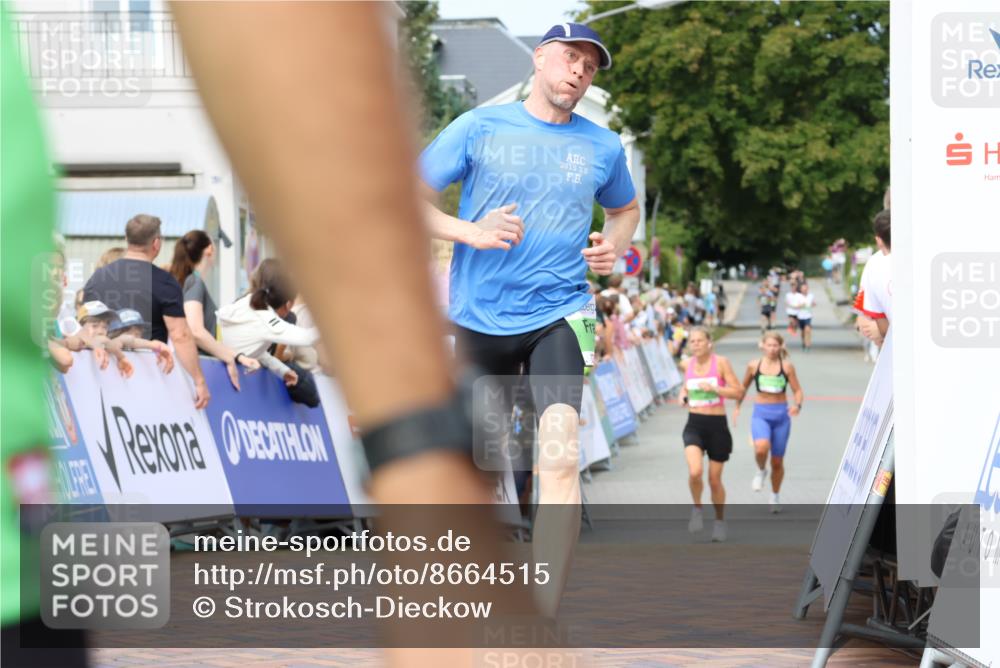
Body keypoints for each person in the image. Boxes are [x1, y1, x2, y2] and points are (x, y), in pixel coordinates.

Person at [418, 20, 639, 614]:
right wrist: (470, 231)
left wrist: (614, 245)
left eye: (589, 66)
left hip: (562, 313)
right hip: (479, 317)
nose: (579, 71)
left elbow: (625, 208)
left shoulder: (603, 146)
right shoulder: (479, 127)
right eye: (570, 58)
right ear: (540, 58)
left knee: (560, 455)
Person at [83, 214, 209, 408]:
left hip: (103, 377)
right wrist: (198, 381)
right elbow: (180, 335)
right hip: (150, 380)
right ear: (156, 243)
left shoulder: (97, 278)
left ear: (127, 239)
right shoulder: (165, 282)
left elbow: (86, 328)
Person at [168, 230, 260, 389]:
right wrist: (231, 356)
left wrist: (234, 355)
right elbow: (195, 331)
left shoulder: (187, 282)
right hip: (200, 369)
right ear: (210, 249)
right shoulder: (195, 282)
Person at [217, 260, 320, 402]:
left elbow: (254, 351)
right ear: (288, 304)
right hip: (234, 382)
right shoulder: (266, 319)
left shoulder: (247, 304)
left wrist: (282, 370)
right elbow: (308, 338)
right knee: (309, 391)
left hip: (225, 374)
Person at [678, 327, 744, 542]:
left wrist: (716, 389)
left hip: (717, 425)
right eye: (692, 341)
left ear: (709, 343)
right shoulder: (686, 364)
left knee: (714, 480)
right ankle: (697, 509)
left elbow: (738, 391)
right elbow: (685, 387)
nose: (696, 344)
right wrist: (682, 396)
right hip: (694, 424)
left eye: (700, 340)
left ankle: (719, 522)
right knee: (695, 471)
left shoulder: (721, 363)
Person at [734, 332, 804, 512]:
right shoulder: (753, 365)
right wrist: (737, 407)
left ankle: (775, 495)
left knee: (777, 462)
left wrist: (797, 405)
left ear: (781, 346)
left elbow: (797, 390)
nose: (772, 349)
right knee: (761, 448)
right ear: (762, 345)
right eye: (769, 345)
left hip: (781, 416)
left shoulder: (786, 367)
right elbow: (743, 388)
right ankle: (761, 470)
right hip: (761, 414)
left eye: (775, 345)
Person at [855, 209, 892, 346]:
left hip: (893, 346)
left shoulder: (875, 265)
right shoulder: (874, 263)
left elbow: (868, 321)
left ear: (879, 240)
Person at [107, 309, 175, 373]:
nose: (135, 337)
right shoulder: (108, 345)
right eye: (128, 333)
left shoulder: (145, 351)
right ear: (114, 334)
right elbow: (126, 340)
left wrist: (157, 349)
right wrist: (153, 344)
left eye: (138, 333)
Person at [796, 283, 816, 351]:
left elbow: (813, 303)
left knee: (808, 330)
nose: (804, 290)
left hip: (808, 316)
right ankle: (803, 342)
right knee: (802, 331)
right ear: (801, 289)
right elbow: (795, 306)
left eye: (806, 288)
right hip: (800, 316)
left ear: (807, 289)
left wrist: (813, 304)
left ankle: (808, 344)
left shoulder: (811, 296)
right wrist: (801, 305)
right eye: (803, 289)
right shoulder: (798, 296)